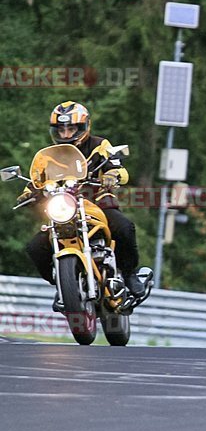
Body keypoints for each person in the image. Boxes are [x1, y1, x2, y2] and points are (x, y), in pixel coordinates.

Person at [18, 101, 145, 310]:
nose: (66, 133)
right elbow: (36, 182)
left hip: (98, 204)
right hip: (64, 211)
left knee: (123, 227)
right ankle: (64, 284)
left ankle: (130, 273)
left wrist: (112, 175)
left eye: (71, 128)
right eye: (61, 129)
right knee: (35, 248)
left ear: (84, 127)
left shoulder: (100, 145)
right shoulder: (48, 156)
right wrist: (26, 195)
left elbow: (118, 168)